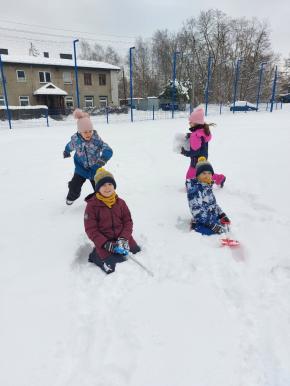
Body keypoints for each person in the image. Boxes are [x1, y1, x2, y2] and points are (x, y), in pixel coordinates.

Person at [84, 168, 141, 274]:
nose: (107, 187)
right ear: (97, 188)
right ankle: (95, 255)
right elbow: (91, 229)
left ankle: (121, 243)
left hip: (122, 238)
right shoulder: (92, 206)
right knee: (112, 267)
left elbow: (128, 221)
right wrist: (106, 244)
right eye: (103, 185)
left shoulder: (121, 203)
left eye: (110, 184)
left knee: (136, 251)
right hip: (105, 241)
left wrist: (124, 238)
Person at [63, 109, 113, 205]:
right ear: (80, 131)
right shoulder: (75, 141)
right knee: (74, 186)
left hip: (95, 169)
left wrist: (103, 158)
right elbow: (69, 146)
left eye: (90, 131)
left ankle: (102, 202)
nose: (88, 134)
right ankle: (71, 197)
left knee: (100, 188)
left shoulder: (96, 140)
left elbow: (108, 149)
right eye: (85, 132)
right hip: (81, 169)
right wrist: (66, 151)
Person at [181, 106, 226, 186]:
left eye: (190, 122)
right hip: (203, 158)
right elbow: (200, 142)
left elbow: (195, 151)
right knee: (203, 173)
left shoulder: (196, 135)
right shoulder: (202, 131)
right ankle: (220, 178)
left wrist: (185, 152)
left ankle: (192, 187)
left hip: (197, 160)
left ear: (196, 123)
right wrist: (190, 136)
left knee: (191, 177)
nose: (189, 123)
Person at [186, 157, 230, 235]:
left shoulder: (207, 186)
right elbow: (197, 211)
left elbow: (213, 204)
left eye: (209, 173)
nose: (207, 176)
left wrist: (221, 214)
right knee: (213, 233)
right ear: (198, 175)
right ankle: (194, 225)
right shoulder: (195, 190)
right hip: (201, 221)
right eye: (204, 173)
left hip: (210, 217)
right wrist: (211, 225)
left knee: (223, 227)